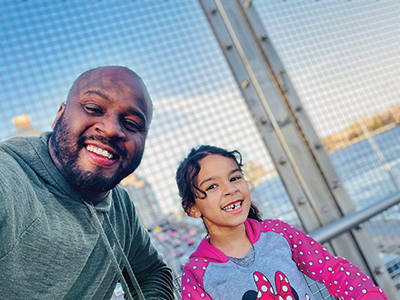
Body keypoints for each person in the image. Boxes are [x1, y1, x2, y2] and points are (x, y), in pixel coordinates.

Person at [0, 66, 174, 300]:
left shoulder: (120, 204)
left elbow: (152, 272)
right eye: (93, 108)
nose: (112, 129)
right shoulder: (10, 176)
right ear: (59, 115)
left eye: (131, 123)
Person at [175, 145, 388, 300]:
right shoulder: (197, 274)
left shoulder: (278, 233)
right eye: (212, 186)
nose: (231, 189)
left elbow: (332, 269)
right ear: (192, 208)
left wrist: (367, 295)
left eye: (235, 178)